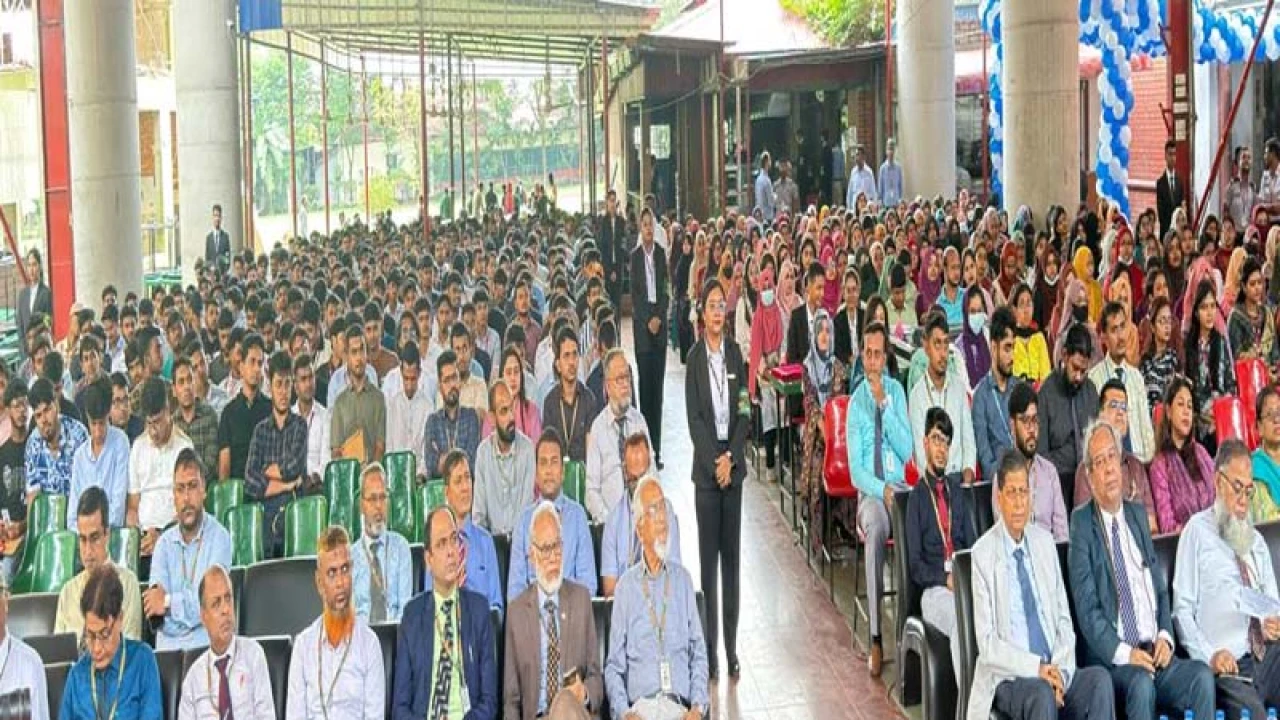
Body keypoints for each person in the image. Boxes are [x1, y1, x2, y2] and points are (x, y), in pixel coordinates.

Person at [1067, 419, 1215, 720]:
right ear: (1091, 476)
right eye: (1099, 461)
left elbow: (1159, 589)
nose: (1109, 468)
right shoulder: (1081, 525)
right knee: (1140, 686)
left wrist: (1164, 635)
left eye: (1112, 457)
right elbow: (1088, 612)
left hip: (1155, 655)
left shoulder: (1136, 515)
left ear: (1122, 466)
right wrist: (1127, 654)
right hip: (1116, 663)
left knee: (1201, 677)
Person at [965, 450, 1115, 720]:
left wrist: (1057, 673)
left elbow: (1063, 621)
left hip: (1053, 668)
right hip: (1011, 677)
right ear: (999, 498)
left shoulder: (1044, 542)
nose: (1020, 503)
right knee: (1040, 694)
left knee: (1100, 682)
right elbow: (987, 645)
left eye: (1024, 492)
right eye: (1012, 493)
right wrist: (1037, 670)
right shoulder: (983, 555)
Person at [1173, 439, 1280, 718]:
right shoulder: (1195, 532)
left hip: (1266, 655)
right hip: (1228, 664)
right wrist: (1209, 657)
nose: (1244, 499)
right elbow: (1182, 611)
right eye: (1237, 487)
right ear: (1218, 481)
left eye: (1249, 489)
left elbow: (1273, 604)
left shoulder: (1255, 542)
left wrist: (1274, 622)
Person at [604, 476, 710, 718]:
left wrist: (697, 706)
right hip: (641, 709)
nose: (662, 518)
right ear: (640, 528)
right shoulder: (625, 589)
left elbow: (699, 654)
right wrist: (624, 712)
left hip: (679, 709)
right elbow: (613, 667)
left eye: (663, 507)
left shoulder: (683, 581)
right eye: (653, 510)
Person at [686, 278, 749, 681]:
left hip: (734, 467)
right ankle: (708, 651)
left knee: (733, 566)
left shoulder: (736, 356)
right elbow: (694, 420)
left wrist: (732, 458)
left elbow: (744, 410)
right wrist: (715, 463)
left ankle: (731, 647)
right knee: (709, 567)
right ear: (701, 313)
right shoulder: (693, 359)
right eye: (709, 305)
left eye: (719, 305)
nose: (714, 312)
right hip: (708, 476)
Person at [846, 322, 912, 676]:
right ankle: (875, 636)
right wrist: (881, 489)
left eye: (878, 354)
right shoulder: (855, 405)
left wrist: (886, 406)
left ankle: (909, 629)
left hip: (898, 487)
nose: (873, 362)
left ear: (886, 357)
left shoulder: (897, 393)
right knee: (875, 531)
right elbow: (856, 473)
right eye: (868, 354)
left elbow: (907, 450)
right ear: (862, 357)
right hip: (872, 493)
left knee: (913, 526)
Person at [393, 506, 499, 720]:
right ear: (429, 559)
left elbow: (489, 702)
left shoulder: (479, 611)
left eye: (453, 540)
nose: (451, 551)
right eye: (441, 544)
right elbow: (400, 708)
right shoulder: (413, 616)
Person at [502, 500, 603, 720]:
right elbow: (511, 700)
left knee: (565, 703)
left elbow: (596, 678)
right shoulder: (517, 612)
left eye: (557, 546)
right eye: (546, 549)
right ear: (532, 554)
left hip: (575, 715)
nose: (553, 558)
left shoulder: (581, 599)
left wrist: (584, 692)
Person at [907, 407, 977, 684]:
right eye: (936, 439)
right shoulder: (917, 499)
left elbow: (971, 546)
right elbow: (915, 566)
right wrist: (945, 579)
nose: (941, 449)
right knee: (962, 624)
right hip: (935, 591)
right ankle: (968, 710)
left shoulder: (957, 491)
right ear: (925, 443)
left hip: (962, 583)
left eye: (946, 443)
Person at [287, 525, 385, 720]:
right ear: (319, 582)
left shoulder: (369, 644)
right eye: (332, 573)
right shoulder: (303, 646)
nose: (340, 582)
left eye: (345, 569)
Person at [146, 447, 233, 649]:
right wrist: (194, 612)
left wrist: (168, 603)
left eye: (192, 486)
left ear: (204, 491)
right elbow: (156, 614)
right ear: (173, 496)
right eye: (180, 489)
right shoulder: (163, 545)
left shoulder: (220, 538)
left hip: (207, 650)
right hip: (168, 655)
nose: (186, 498)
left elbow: (213, 606)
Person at [59, 565, 164, 719]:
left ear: (120, 619)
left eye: (104, 634)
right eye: (90, 635)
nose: (96, 648)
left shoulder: (142, 660)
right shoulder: (77, 676)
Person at [178, 564, 276, 720]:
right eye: (216, 603)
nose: (226, 610)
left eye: (228, 598)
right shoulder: (193, 678)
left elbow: (267, 716)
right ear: (203, 617)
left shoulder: (253, 655)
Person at [508, 429, 596, 599]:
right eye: (543, 463)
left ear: (563, 472)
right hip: (532, 618)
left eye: (554, 462)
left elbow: (588, 584)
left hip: (571, 617)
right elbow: (515, 590)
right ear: (535, 474)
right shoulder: (524, 521)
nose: (548, 470)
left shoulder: (578, 517)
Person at [55, 487, 143, 640]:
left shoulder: (128, 584)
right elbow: (58, 658)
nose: (88, 551)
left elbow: (130, 649)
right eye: (83, 539)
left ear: (107, 535)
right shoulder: (67, 593)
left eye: (94, 538)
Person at [423, 450, 505, 612]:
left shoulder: (485, 541)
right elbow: (428, 604)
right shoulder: (436, 543)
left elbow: (497, 606)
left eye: (468, 478)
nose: (465, 488)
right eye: (458, 481)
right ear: (446, 491)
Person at [245, 351, 309, 556]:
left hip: (292, 507)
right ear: (270, 386)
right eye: (278, 384)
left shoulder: (300, 426)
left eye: (287, 384)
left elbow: (294, 467)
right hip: (266, 511)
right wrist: (286, 484)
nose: (283, 392)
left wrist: (267, 472)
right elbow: (249, 481)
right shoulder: (260, 430)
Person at [601, 436, 682, 597]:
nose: (639, 486)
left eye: (643, 477)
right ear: (624, 472)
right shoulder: (613, 521)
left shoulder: (666, 512)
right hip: (628, 611)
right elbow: (609, 590)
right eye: (633, 480)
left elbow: (674, 575)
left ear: (650, 468)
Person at [1073, 380, 1157, 531]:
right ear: (1100, 414)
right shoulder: (1087, 469)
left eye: (1124, 407)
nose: (1120, 412)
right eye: (1114, 405)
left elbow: (1151, 526)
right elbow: (1085, 529)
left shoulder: (1136, 466)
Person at [585, 349, 654, 523]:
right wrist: (609, 524)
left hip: (642, 521)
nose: (625, 385)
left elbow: (652, 473)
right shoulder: (598, 429)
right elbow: (591, 490)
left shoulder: (639, 422)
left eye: (627, 377)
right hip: (610, 523)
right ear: (607, 387)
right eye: (619, 379)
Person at [1036, 324, 1100, 505]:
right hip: (1057, 484)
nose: (1079, 377)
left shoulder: (1091, 391)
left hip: (1089, 482)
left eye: (1084, 371)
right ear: (1064, 355)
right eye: (1075, 368)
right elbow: (1041, 457)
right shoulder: (1046, 395)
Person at [910, 310, 977, 481]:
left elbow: (969, 441)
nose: (943, 353)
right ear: (926, 347)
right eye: (937, 344)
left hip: (959, 479)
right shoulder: (917, 396)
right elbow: (920, 453)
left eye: (946, 344)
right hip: (931, 482)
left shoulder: (959, 389)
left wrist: (968, 472)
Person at [128, 378, 193, 552]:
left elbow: (189, 506)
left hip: (176, 538)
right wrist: (138, 537)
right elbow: (133, 507)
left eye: (157, 422)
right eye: (149, 423)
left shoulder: (184, 448)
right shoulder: (138, 448)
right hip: (143, 540)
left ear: (168, 411)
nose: (153, 431)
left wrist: (163, 536)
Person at [1089, 302, 1155, 463]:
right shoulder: (1094, 379)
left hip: (1139, 462)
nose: (1120, 336)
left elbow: (1146, 428)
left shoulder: (1136, 377)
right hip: (1111, 464)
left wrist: (1148, 464)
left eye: (1123, 327)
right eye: (1114, 330)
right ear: (1103, 337)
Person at [1148, 376, 1216, 534]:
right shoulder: (1160, 465)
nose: (1186, 412)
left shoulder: (1202, 453)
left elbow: (1220, 498)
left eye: (1190, 406)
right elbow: (1167, 525)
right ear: (1169, 412)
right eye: (1180, 404)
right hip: (1184, 546)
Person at [631, 207, 669, 469]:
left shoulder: (661, 255)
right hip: (643, 330)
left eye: (650, 225)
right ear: (639, 228)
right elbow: (635, 296)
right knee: (645, 391)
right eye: (643, 224)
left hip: (660, 325)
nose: (647, 229)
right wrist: (648, 320)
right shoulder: (634, 258)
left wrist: (658, 317)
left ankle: (657, 449)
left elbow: (665, 290)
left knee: (659, 391)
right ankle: (646, 449)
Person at [350, 462, 412, 623]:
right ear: (361, 505)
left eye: (383, 497)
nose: (379, 506)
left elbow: (405, 610)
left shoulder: (401, 548)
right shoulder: (350, 557)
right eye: (372, 499)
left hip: (394, 637)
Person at [473, 380, 536, 536]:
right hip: (492, 543)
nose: (511, 417)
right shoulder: (483, 452)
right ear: (492, 419)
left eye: (511, 408)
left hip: (522, 542)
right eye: (503, 411)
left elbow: (528, 509)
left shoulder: (527, 449)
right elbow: (479, 515)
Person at [69, 383, 129, 529]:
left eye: (101, 423)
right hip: (83, 536)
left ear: (108, 414)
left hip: (111, 532)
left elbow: (118, 508)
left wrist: (97, 531)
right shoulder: (79, 457)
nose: (97, 431)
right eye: (93, 424)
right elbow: (71, 517)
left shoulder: (120, 442)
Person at [24, 377, 88, 501]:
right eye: (38, 416)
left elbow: (88, 486)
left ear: (56, 405)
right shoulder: (33, 444)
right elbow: (33, 495)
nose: (44, 420)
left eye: (47, 410)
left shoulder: (78, 435)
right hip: (46, 516)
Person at [217, 333, 271, 480]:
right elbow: (224, 466)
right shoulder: (228, 413)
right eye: (252, 362)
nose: (256, 369)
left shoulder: (270, 409)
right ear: (241, 367)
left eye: (260, 363)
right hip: (238, 489)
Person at [974, 307, 1018, 483]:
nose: (1012, 356)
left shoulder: (1020, 390)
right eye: (1007, 348)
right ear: (993, 347)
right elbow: (986, 462)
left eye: (1014, 347)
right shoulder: (981, 397)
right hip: (998, 486)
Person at [542, 329, 600, 464]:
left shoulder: (589, 399)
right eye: (566, 356)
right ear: (558, 364)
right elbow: (549, 447)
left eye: (575, 355)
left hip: (583, 473)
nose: (572, 362)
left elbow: (591, 450)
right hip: (558, 472)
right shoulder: (550, 402)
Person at [330, 326, 387, 464]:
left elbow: (380, 446)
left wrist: (370, 473)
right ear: (347, 357)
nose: (359, 358)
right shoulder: (340, 403)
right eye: (354, 352)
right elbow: (336, 450)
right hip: (347, 476)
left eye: (362, 350)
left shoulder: (378, 398)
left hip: (373, 474)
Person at [423, 350, 482, 477]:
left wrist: (443, 460)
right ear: (439, 386)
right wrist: (459, 461)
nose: (452, 385)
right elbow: (431, 466)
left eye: (454, 378)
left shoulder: (471, 417)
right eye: (446, 380)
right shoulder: (432, 421)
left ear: (460, 380)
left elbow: (471, 463)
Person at [385, 341, 433, 476]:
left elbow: (426, 450)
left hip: (419, 476)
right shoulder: (393, 405)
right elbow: (389, 448)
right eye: (406, 379)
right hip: (395, 475)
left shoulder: (428, 407)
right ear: (401, 372)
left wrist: (420, 474)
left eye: (413, 379)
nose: (409, 385)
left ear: (419, 373)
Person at [172, 356, 219, 486]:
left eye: (189, 380)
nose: (187, 386)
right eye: (181, 382)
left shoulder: (209, 416)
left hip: (205, 489)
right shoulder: (172, 424)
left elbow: (211, 462)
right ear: (174, 390)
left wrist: (193, 483)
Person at [292, 353, 331, 486]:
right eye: (303, 379)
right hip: (291, 487)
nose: (308, 384)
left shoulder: (325, 416)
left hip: (317, 486)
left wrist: (312, 478)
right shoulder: (288, 418)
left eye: (311, 377)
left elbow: (326, 461)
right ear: (295, 386)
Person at [1251, 386, 1280, 522]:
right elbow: (1267, 520)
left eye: (1279, 413)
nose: (1277, 420)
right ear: (1260, 428)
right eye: (1270, 415)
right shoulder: (1256, 468)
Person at [16, 249, 51, 359]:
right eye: (29, 265)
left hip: (41, 348)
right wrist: (23, 350)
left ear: (40, 267)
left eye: (34, 265)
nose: (31, 269)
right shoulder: (23, 295)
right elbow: (20, 325)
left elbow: (49, 320)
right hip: (25, 351)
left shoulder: (46, 293)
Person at [1156, 140, 1185, 239]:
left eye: (1174, 154)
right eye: (1170, 154)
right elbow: (1161, 213)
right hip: (1166, 231)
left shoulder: (1180, 181)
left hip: (1178, 232)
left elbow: (1182, 206)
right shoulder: (1160, 183)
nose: (1172, 158)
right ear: (1165, 156)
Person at [878, 138, 903, 208]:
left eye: (892, 149)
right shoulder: (883, 168)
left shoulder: (898, 168)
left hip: (896, 203)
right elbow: (880, 187)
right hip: (886, 203)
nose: (891, 152)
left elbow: (900, 186)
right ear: (886, 151)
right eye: (889, 149)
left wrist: (900, 200)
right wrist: (880, 201)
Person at [753, 151, 776, 222]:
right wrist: (775, 197)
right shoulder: (766, 180)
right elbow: (771, 201)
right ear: (767, 162)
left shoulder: (758, 179)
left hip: (759, 214)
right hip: (767, 216)